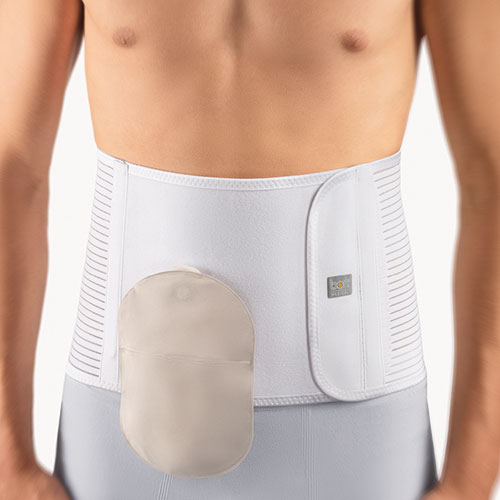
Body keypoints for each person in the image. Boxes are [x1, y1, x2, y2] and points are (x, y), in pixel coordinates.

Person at [0, 0, 499, 499]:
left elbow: (492, 181)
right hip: (121, 426)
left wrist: (469, 483)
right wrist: (8, 463)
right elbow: (11, 168)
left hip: (362, 434)